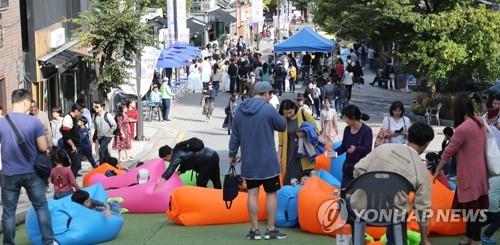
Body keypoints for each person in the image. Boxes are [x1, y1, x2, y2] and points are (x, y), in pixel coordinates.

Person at [353, 122, 434, 245]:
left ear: (408, 136)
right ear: (426, 143)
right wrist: (424, 239)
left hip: (361, 208)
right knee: (399, 216)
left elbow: (358, 169)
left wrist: (371, 187)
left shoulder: (382, 148)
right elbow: (423, 206)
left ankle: (357, 238)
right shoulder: (421, 168)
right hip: (393, 215)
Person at [229, 82, 287, 240]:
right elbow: (282, 126)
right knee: (271, 194)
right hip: (268, 160)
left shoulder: (241, 109)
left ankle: (254, 230)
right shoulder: (268, 109)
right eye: (270, 94)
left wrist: (232, 154)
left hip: (249, 160)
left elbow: (234, 134)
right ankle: (270, 229)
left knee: (252, 195)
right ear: (266, 93)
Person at [0, 89, 56, 244]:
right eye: (29, 103)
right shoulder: (34, 122)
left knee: (9, 212)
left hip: (9, 173)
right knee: (41, 207)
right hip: (31, 171)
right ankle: (49, 241)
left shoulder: (2, 122)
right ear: (25, 102)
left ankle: (8, 243)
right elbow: (43, 147)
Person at [435, 94, 489, 245]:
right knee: (474, 210)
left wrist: (438, 170)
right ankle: (468, 237)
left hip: (469, 176)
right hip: (480, 173)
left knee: (473, 212)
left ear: (457, 109)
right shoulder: (479, 123)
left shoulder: (462, 129)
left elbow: (448, 152)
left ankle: (475, 241)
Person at [278, 99, 317, 185]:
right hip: (289, 154)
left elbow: (315, 129)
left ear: (294, 108)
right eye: (285, 113)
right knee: (289, 180)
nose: (288, 115)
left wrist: (305, 133)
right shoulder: (282, 120)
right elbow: (281, 143)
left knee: (305, 179)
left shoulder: (303, 114)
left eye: (290, 112)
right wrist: (278, 159)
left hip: (304, 154)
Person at [155, 138, 221, 189]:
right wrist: (176, 175)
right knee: (215, 178)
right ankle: (220, 197)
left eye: (165, 159)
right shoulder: (178, 147)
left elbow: (170, 170)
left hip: (208, 160)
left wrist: (159, 186)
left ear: (168, 155)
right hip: (213, 155)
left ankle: (206, 199)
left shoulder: (176, 156)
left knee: (201, 182)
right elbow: (185, 164)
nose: (165, 161)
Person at [335, 104, 373, 187]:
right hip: (348, 168)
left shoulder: (367, 131)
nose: (344, 120)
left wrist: (356, 149)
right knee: (344, 192)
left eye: (345, 117)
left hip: (361, 170)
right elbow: (343, 147)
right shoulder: (347, 129)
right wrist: (332, 153)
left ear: (352, 117)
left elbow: (368, 149)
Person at [61, 103, 83, 177]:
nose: (81, 114)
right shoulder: (68, 118)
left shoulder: (74, 118)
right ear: (76, 111)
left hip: (77, 144)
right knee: (76, 164)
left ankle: (71, 181)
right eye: (80, 112)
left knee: (77, 165)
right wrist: (72, 145)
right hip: (72, 146)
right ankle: (70, 181)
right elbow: (65, 134)